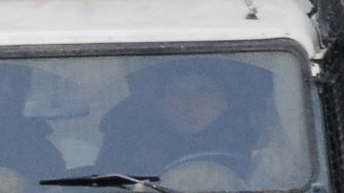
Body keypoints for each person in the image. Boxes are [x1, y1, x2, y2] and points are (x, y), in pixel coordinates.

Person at [96, 56, 276, 182]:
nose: (190, 102)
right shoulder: (129, 144)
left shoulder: (253, 139)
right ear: (160, 103)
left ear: (226, 101)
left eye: (204, 91)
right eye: (178, 92)